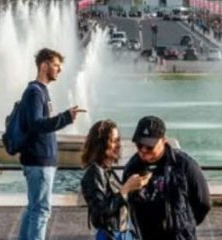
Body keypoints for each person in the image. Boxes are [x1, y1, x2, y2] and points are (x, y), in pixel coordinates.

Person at [17, 47, 86, 240]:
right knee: (41, 211)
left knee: (34, 208)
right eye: (56, 65)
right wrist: (64, 118)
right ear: (43, 65)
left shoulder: (40, 91)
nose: (59, 70)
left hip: (40, 160)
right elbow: (35, 124)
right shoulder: (35, 92)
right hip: (39, 161)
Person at [122, 114, 211, 240]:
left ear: (163, 140)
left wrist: (185, 224)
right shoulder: (132, 168)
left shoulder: (184, 165)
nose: (143, 150)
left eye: (149, 146)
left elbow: (203, 203)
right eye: (139, 145)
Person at [80, 118, 149, 239]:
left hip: (123, 234)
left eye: (118, 140)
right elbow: (99, 215)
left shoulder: (107, 170)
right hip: (112, 236)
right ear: (101, 144)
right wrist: (125, 189)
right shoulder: (94, 173)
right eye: (113, 141)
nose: (118, 145)